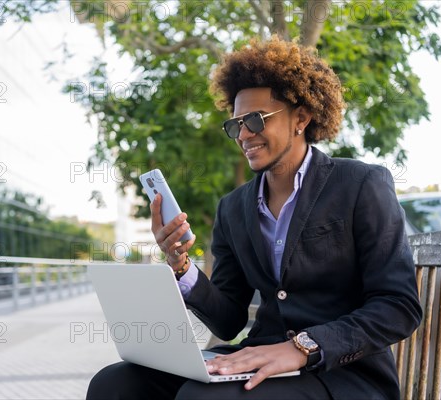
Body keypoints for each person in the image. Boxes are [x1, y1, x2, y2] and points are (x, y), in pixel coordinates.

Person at [87, 37, 422, 400]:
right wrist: (181, 266)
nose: (244, 134)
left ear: (301, 118)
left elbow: (398, 305)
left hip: (341, 374)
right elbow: (229, 320)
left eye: (255, 120)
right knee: (115, 384)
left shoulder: (360, 184)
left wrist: (302, 347)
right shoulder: (233, 208)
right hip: (260, 355)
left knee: (203, 399)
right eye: (235, 125)